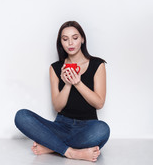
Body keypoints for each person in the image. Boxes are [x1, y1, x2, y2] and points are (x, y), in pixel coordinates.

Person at [14, 20, 110, 162]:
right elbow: (58, 107)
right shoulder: (55, 68)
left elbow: (99, 103)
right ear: (61, 42)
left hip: (88, 126)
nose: (70, 43)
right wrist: (67, 84)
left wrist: (77, 83)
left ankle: (51, 147)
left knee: (103, 130)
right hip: (61, 125)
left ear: (82, 39)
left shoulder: (98, 65)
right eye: (65, 39)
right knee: (21, 116)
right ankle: (72, 152)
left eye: (75, 38)